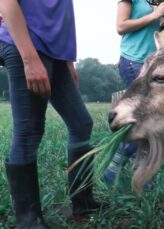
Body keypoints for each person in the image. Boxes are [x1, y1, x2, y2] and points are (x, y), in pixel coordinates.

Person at [0, 1, 105, 228]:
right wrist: (28, 57)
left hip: (55, 52)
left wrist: (67, 61)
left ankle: (82, 202)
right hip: (27, 43)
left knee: (81, 123)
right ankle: (29, 221)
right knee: (29, 131)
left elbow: (59, 13)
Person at [103, 0, 164, 187]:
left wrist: (161, 24)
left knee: (148, 119)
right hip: (132, 62)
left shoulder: (150, 1)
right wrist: (154, 14)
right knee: (146, 119)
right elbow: (121, 26)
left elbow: (144, 29)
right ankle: (113, 168)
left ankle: (139, 172)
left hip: (148, 63)